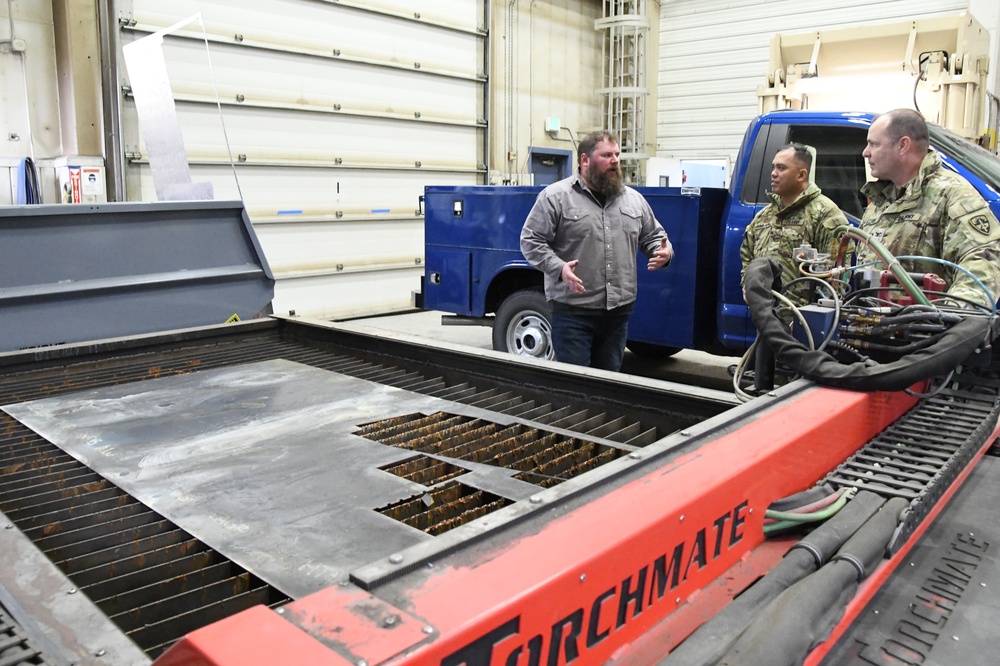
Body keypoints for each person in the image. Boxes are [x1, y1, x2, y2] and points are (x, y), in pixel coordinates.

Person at [519, 131, 673, 371]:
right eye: (606, 155)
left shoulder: (633, 200)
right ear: (585, 160)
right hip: (573, 313)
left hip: (617, 314)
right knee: (576, 386)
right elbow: (531, 240)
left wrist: (664, 252)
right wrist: (559, 269)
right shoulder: (556, 197)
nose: (615, 161)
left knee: (608, 384)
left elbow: (654, 236)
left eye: (617, 155)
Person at [859, 108, 1000, 308]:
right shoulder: (881, 201)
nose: (865, 152)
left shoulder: (951, 194)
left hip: (923, 333)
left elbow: (983, 264)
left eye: (874, 144)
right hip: (870, 331)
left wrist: (949, 319)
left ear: (902, 146)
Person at [740, 143, 848, 303]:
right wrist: (748, 285)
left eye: (781, 168)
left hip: (803, 319)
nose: (773, 174)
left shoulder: (825, 214)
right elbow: (747, 254)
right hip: (765, 316)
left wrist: (817, 315)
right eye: (773, 167)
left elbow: (837, 274)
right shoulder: (764, 216)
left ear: (801, 175)